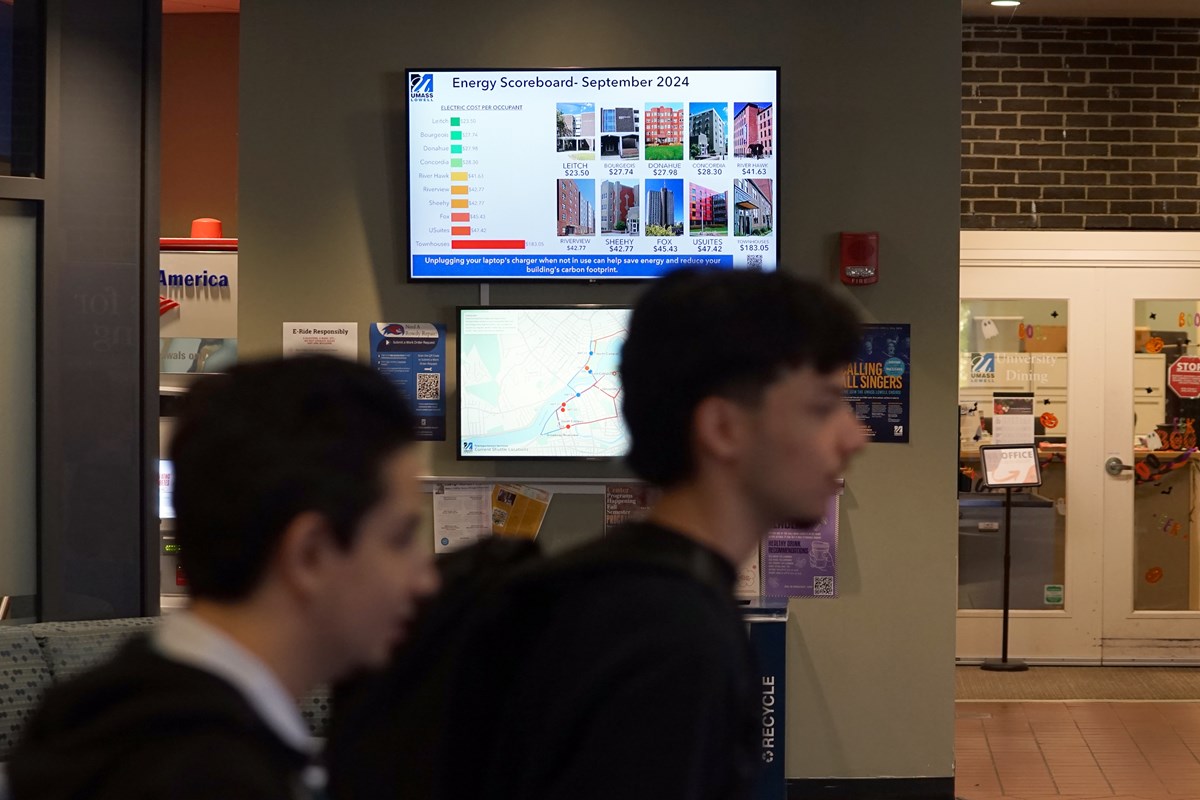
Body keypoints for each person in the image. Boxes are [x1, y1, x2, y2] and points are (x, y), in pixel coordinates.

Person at [438, 266, 867, 800]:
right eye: (822, 407)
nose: (854, 436)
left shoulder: (611, 590)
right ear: (723, 429)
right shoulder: (673, 639)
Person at [9, 356, 439, 800]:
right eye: (401, 538)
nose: (424, 580)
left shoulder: (95, 716)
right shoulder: (212, 777)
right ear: (309, 554)